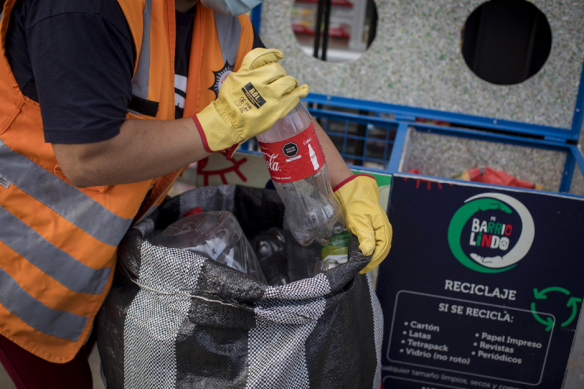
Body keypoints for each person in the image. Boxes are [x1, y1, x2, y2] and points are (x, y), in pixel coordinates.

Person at [0, 0, 392, 387]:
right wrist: (217, 125)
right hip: (24, 264)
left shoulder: (226, 22)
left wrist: (345, 185)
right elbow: (86, 157)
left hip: (101, 257)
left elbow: (275, 102)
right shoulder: (82, 9)